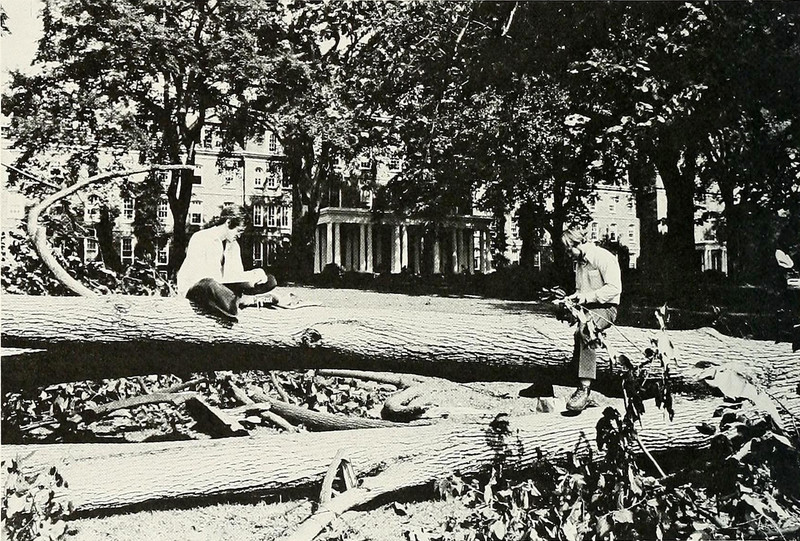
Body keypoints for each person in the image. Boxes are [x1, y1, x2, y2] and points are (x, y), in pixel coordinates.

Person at [177, 205, 279, 318]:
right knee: (209, 284)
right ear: (228, 222)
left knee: (270, 280)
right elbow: (202, 277)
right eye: (239, 231)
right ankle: (244, 301)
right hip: (198, 288)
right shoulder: (201, 238)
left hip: (222, 289)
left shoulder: (233, 245)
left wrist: (254, 276)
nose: (239, 235)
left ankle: (237, 301)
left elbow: (235, 275)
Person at [562, 226, 622, 412]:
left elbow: (614, 288)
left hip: (607, 308)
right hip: (588, 308)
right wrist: (572, 299)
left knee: (587, 330)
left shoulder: (603, 257)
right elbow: (580, 291)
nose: (567, 254)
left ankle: (584, 389)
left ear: (579, 243)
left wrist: (586, 298)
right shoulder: (579, 264)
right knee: (577, 330)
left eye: (569, 249)